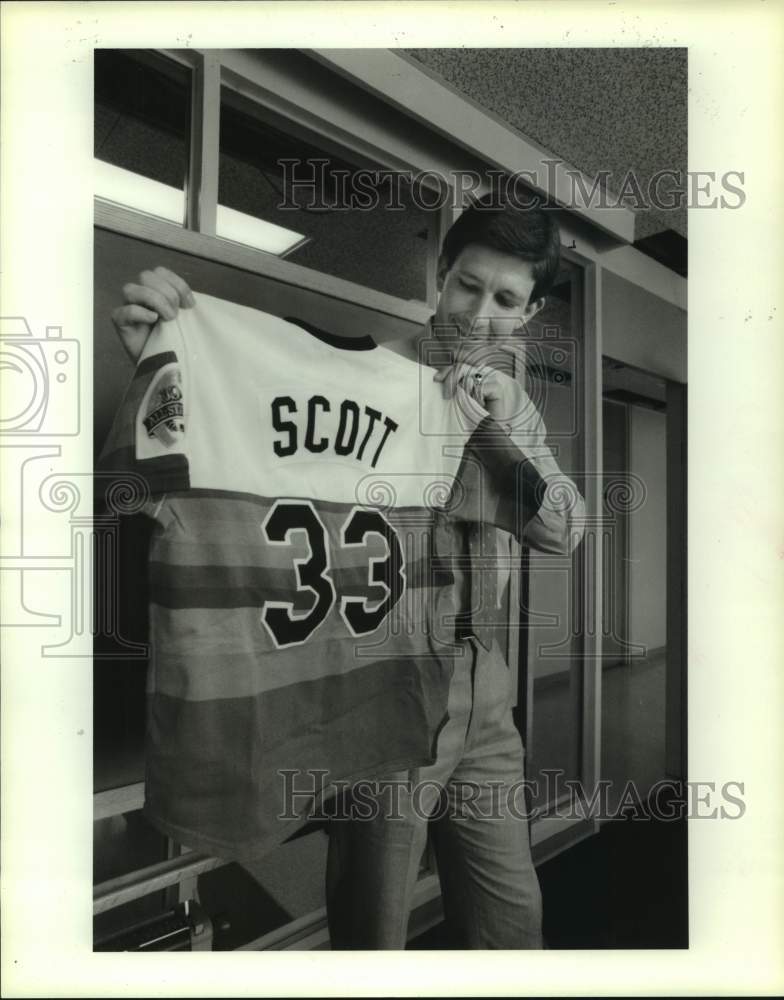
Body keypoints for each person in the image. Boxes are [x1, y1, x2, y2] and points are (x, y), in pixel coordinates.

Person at [109, 196, 585, 949]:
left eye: (504, 299)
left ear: (528, 313)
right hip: (384, 679)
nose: (478, 312)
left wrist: (498, 430)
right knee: (374, 921)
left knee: (511, 916)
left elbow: (561, 530)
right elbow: (205, 454)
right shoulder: (369, 375)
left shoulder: (512, 405)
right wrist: (163, 359)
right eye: (467, 285)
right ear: (439, 274)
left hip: (483, 689)